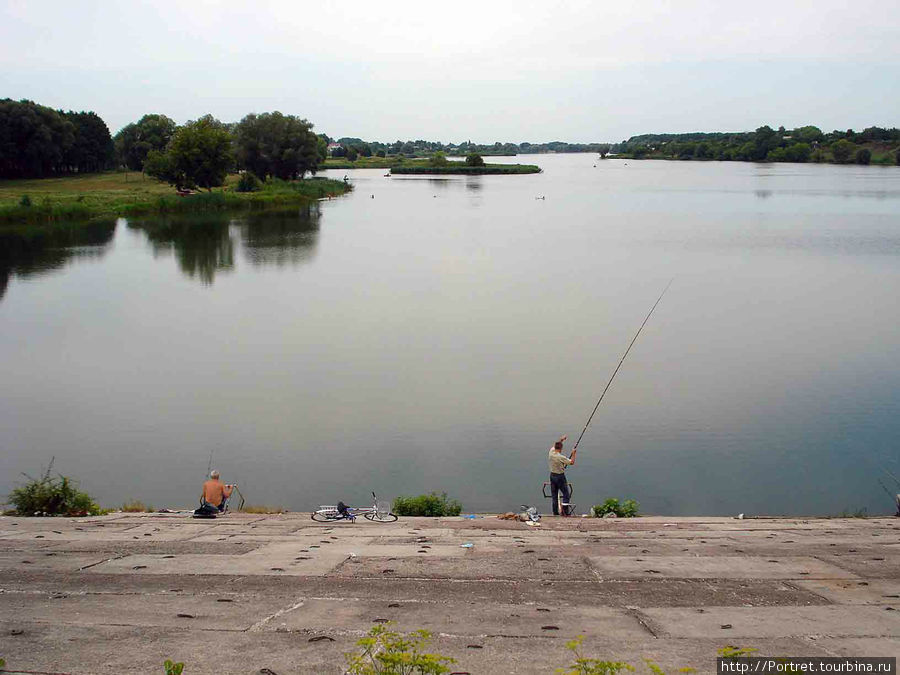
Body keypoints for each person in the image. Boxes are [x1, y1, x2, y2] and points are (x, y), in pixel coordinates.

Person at [548, 434, 576, 516]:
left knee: (554, 495)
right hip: (560, 477)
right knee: (566, 494)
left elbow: (555, 445)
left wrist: (561, 439)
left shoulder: (551, 452)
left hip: (552, 476)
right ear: (561, 449)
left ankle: (555, 512)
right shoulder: (560, 457)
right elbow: (572, 462)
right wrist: (573, 453)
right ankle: (565, 512)